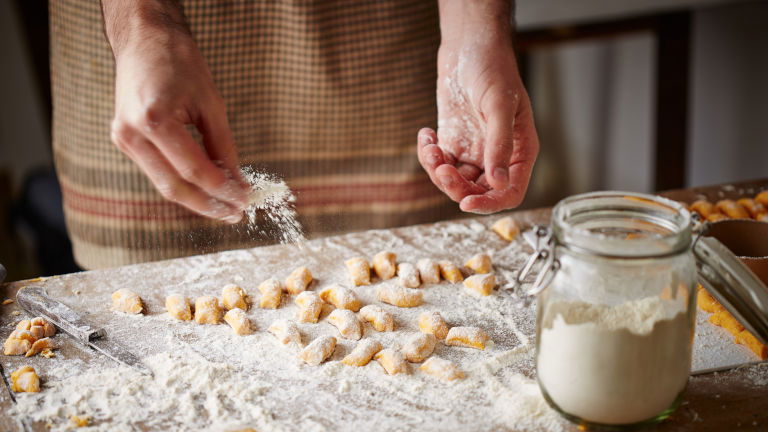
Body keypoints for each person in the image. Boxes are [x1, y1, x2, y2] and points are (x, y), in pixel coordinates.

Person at [50, 0, 538, 269]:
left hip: (365, 36)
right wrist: (143, 27)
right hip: (139, 47)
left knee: (408, 266)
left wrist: (474, 32)